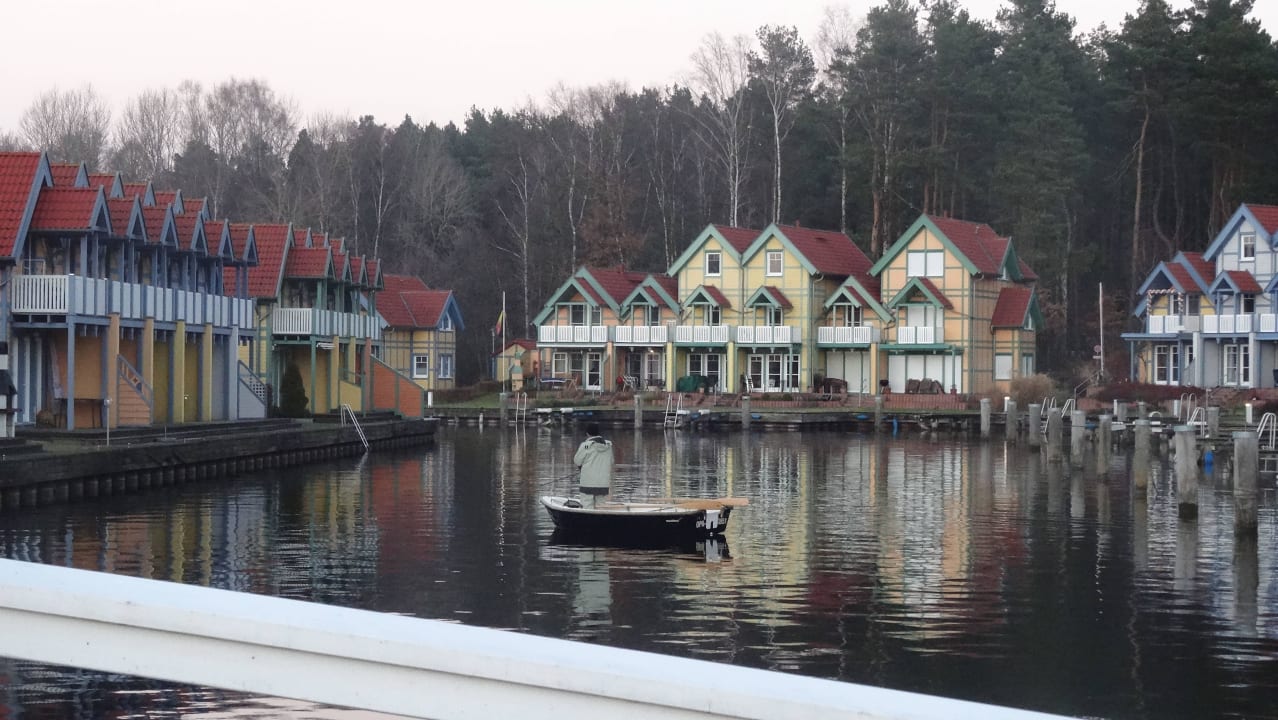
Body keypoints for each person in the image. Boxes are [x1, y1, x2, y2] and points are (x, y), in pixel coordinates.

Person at [574, 422, 614, 506]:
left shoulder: (586, 445)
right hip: (603, 483)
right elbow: (611, 461)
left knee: (587, 506)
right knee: (601, 507)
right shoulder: (608, 446)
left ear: (587, 433)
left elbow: (577, 461)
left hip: (587, 483)